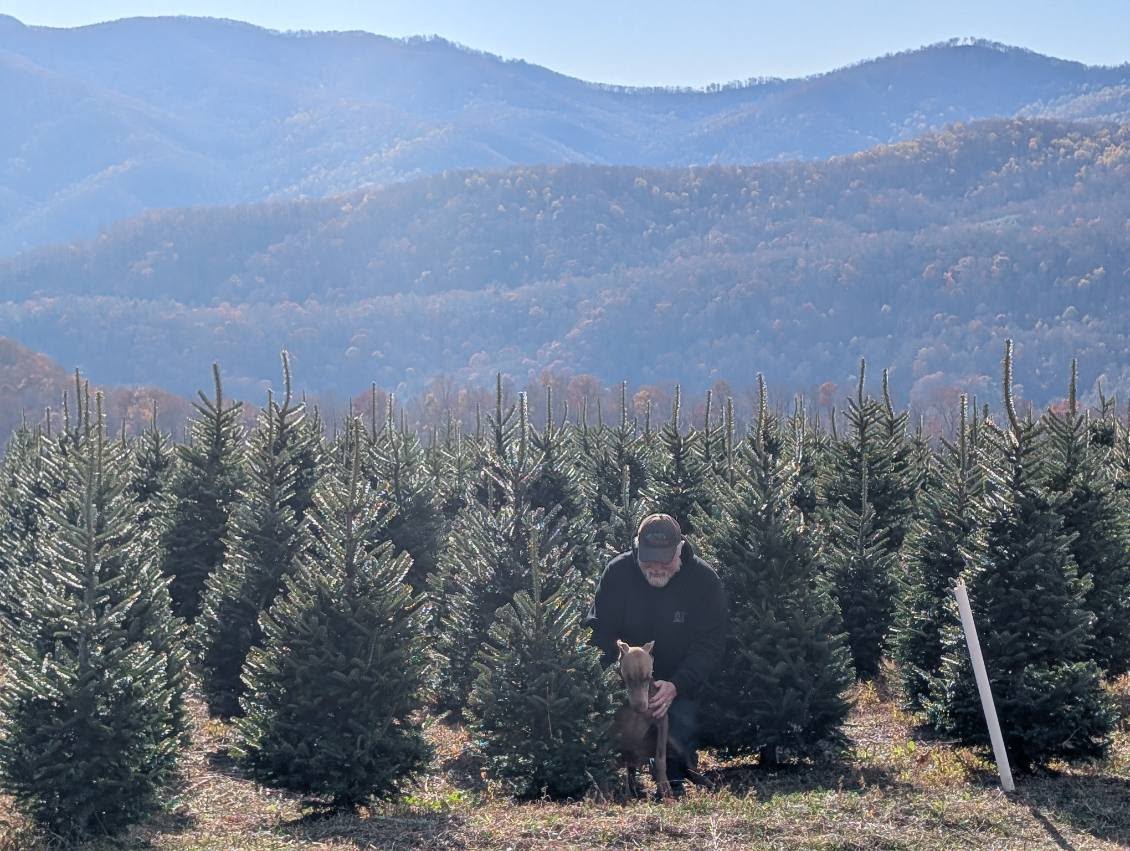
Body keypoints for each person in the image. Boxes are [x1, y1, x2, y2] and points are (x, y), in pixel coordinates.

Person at [585, 513, 727, 795]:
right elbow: (598, 632)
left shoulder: (704, 581)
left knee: (680, 724)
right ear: (637, 549)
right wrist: (620, 676)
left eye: (664, 560)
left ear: (680, 550)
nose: (657, 567)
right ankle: (620, 779)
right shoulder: (618, 573)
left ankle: (673, 778)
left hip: (678, 680)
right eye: (649, 559)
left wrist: (677, 685)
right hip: (625, 680)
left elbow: (710, 644)